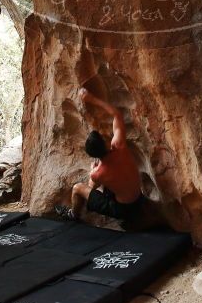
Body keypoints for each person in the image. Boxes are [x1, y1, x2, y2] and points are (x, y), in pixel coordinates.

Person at [56, 87, 142, 222]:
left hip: (123, 208)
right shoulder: (120, 146)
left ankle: (73, 215)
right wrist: (91, 99)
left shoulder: (98, 173)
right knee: (109, 183)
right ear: (106, 144)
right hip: (138, 198)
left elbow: (90, 188)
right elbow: (116, 114)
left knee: (78, 188)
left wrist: (93, 170)